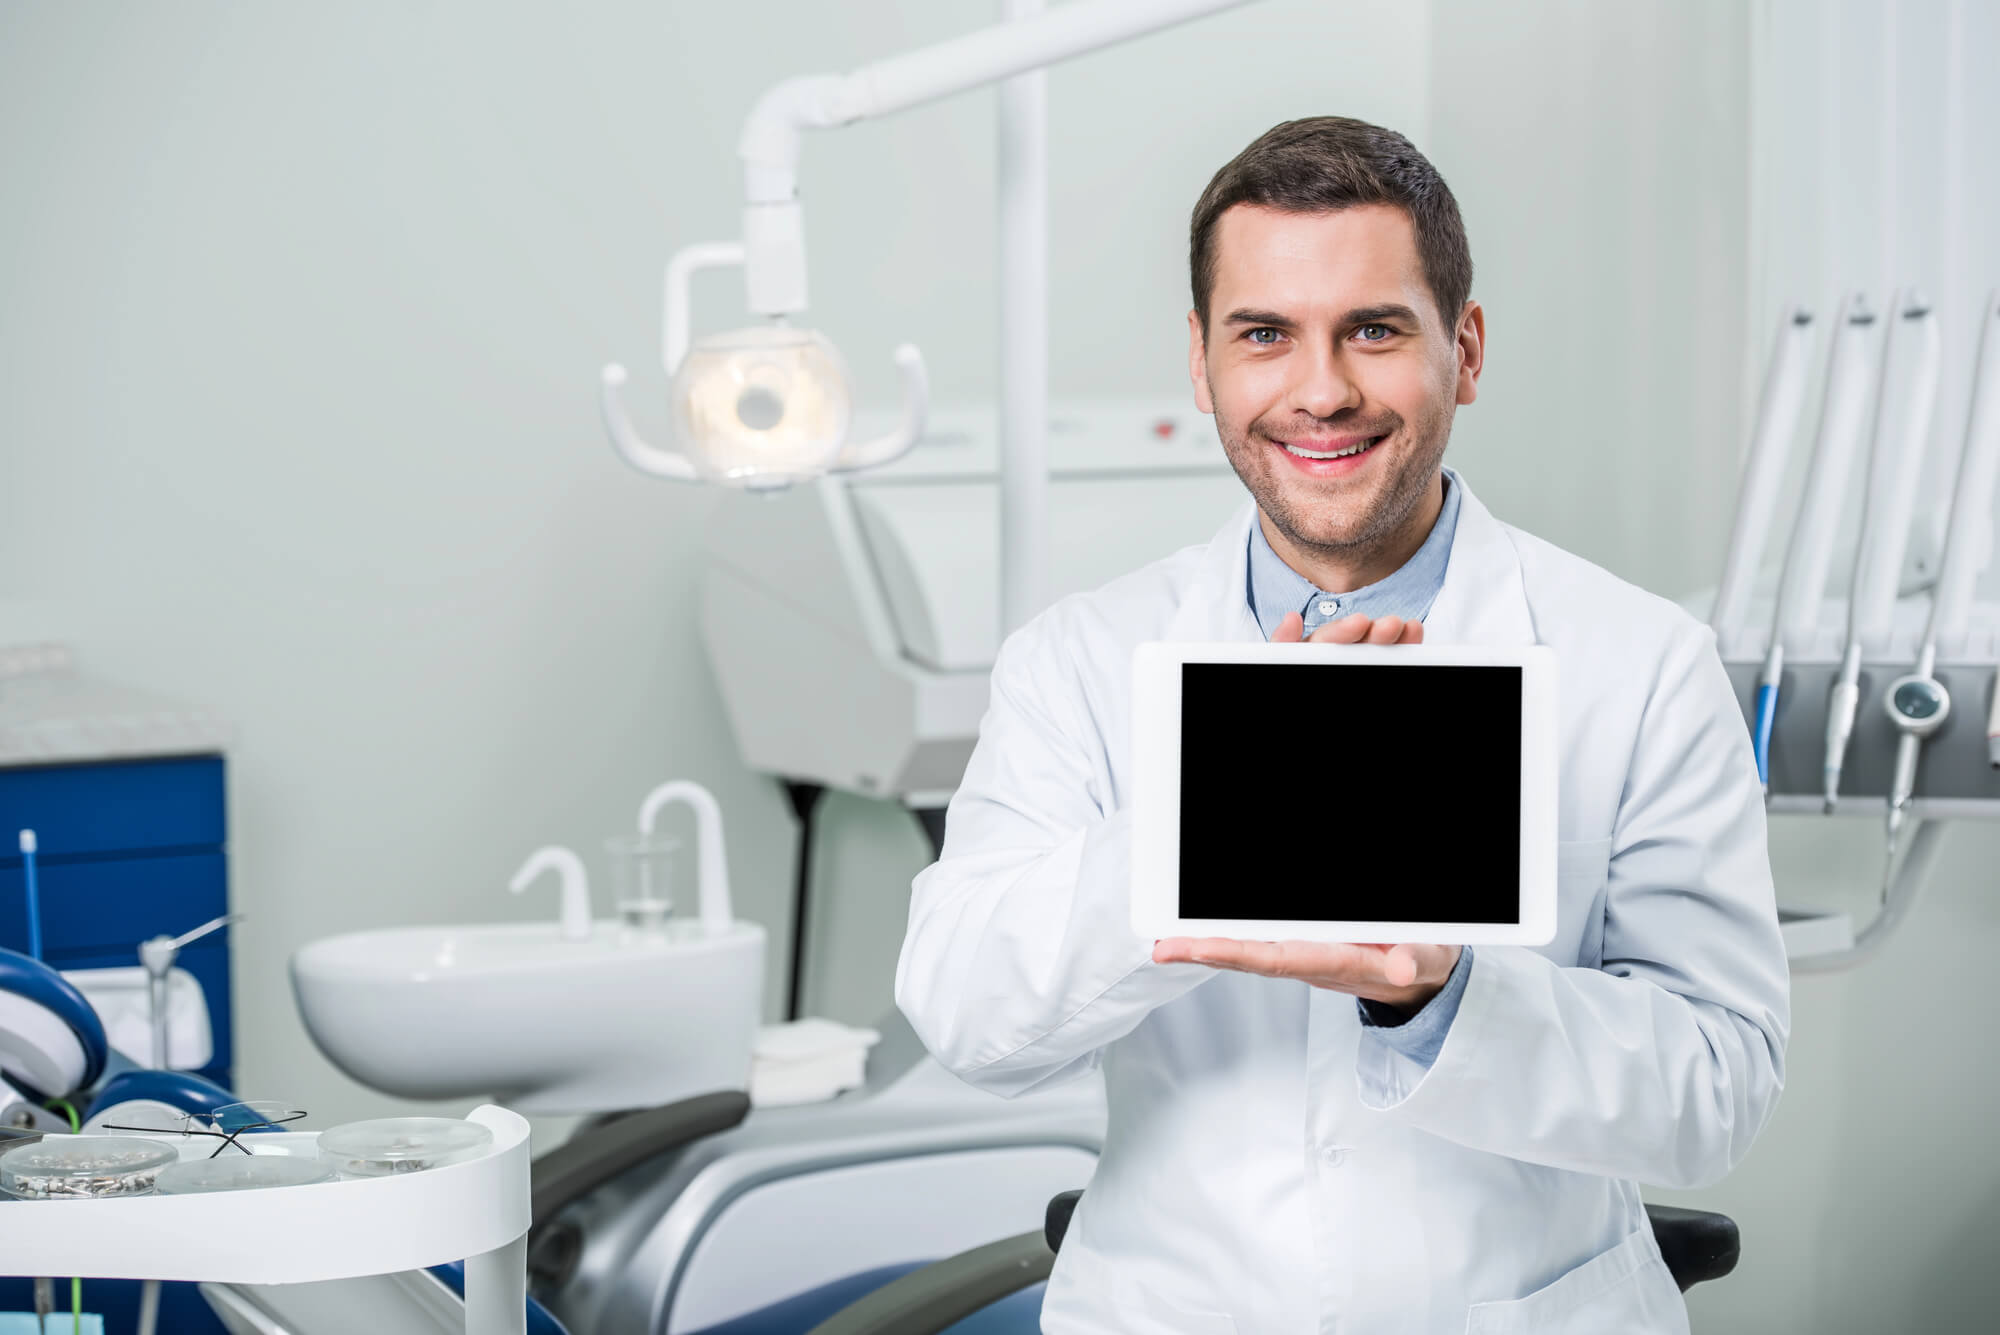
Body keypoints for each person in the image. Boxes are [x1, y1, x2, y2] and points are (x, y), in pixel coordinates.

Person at [895, 116, 1789, 1334]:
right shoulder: (1077, 662)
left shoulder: (1638, 664)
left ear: (1462, 351)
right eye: (1263, 334)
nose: (1319, 391)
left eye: (1373, 330)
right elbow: (966, 1019)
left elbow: (1716, 1088)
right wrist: (1211, 817)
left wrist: (1437, 997)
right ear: (1202, 363)